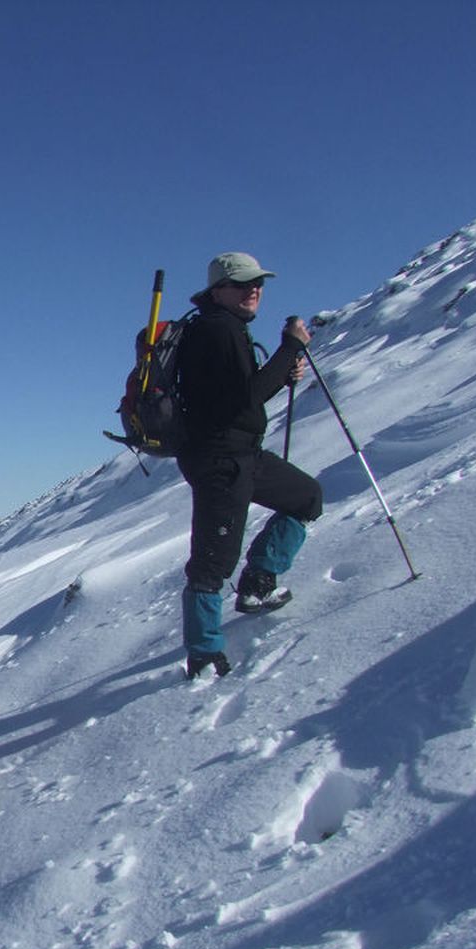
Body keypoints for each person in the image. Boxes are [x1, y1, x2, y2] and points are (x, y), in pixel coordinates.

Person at [176, 252, 322, 679]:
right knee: (212, 563)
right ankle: (203, 655)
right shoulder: (218, 331)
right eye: (242, 284)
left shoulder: (223, 329)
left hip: (241, 454)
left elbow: (238, 401)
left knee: (305, 496)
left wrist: (282, 372)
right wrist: (291, 348)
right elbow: (245, 397)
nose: (253, 290)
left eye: (257, 283)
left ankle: (258, 584)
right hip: (220, 461)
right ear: (217, 290)